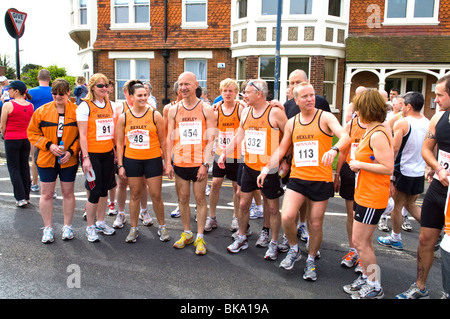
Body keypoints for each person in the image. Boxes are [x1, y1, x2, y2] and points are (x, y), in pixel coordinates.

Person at [257, 82, 350, 279]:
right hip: (298, 178)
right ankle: (294, 249)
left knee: (315, 224)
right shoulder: (292, 122)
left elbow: (345, 137)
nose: (310, 99)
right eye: (305, 96)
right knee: (288, 217)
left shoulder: (325, 117)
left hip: (321, 180)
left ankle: (311, 260)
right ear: (296, 100)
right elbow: (282, 148)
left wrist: (333, 149)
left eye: (312, 95)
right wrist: (267, 168)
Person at [219, 79, 287, 261]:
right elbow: (240, 134)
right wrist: (225, 153)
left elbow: (289, 138)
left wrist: (285, 160)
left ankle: (272, 240)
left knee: (272, 207)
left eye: (247, 92)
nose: (244, 95)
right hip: (249, 165)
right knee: (243, 203)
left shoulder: (275, 113)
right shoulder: (247, 111)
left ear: (259, 93)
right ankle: (242, 236)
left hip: (269, 169)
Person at [396, 75, 450, 299]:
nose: (435, 100)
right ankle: (420, 286)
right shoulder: (438, 118)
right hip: (438, 187)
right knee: (425, 239)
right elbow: (427, 149)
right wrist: (437, 167)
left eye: (440, 95)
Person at [343, 89, 394, 299]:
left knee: (360, 242)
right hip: (365, 193)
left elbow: (388, 167)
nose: (355, 112)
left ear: (367, 109)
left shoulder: (379, 133)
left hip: (372, 196)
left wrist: (359, 164)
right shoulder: (373, 129)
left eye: (358, 108)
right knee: (364, 242)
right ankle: (367, 277)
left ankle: (374, 286)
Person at [166, 71, 216, 255]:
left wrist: (205, 163)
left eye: (187, 84)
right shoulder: (173, 109)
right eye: (180, 84)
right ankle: (187, 233)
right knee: (183, 199)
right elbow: (169, 138)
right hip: (180, 162)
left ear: (196, 85)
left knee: (201, 199)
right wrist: (168, 163)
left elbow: (212, 139)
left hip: (199, 163)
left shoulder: (206, 109)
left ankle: (200, 237)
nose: (183, 88)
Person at [116, 82, 170, 243]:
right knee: (134, 194)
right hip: (132, 160)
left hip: (152, 159)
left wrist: (167, 163)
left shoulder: (155, 115)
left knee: (156, 195)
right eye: (139, 95)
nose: (143, 98)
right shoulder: (123, 117)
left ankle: (162, 226)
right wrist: (120, 165)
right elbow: (119, 143)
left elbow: (163, 141)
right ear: (131, 97)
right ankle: (133, 229)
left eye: (145, 95)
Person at [27, 78, 79, 243]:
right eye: (55, 93)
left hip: (68, 160)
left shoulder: (77, 111)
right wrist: (48, 145)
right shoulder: (41, 111)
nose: (58, 97)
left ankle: (67, 226)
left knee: (68, 193)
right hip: (46, 158)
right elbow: (32, 133)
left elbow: (82, 136)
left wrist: (71, 151)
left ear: (68, 93)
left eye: (61, 94)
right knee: (47, 194)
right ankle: (48, 228)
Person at [377, 92, 429, 250]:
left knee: (397, 206)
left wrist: (390, 173)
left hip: (403, 170)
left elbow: (395, 149)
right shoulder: (428, 122)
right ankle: (433, 233)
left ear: (409, 106)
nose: (401, 107)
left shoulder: (403, 123)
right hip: (418, 171)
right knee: (411, 204)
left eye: (404, 104)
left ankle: (395, 238)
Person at [76, 73, 116, 242]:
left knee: (104, 189)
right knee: (94, 191)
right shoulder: (85, 107)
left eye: (106, 85)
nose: (104, 88)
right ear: (92, 87)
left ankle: (100, 222)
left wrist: (114, 151)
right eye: (100, 86)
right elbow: (82, 135)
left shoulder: (109, 104)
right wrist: (85, 157)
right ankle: (90, 227)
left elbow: (111, 131)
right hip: (92, 155)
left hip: (107, 153)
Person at [206, 78, 243, 232]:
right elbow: (213, 134)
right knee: (215, 184)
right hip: (220, 153)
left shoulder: (241, 109)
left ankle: (235, 217)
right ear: (221, 93)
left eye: (231, 91)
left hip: (237, 155)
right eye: (225, 91)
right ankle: (212, 217)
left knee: (236, 187)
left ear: (236, 93)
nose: (227, 94)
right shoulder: (216, 111)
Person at [334, 110, 366, 270]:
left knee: (363, 218)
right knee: (351, 215)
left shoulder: (379, 126)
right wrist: (337, 174)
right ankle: (353, 250)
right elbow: (343, 151)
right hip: (349, 171)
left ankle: (363, 254)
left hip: (368, 173)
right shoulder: (351, 125)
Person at [0, 80, 34, 207]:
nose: (8, 91)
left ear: (16, 91)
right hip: (25, 139)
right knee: (24, 166)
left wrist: (4, 135)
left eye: (10, 89)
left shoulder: (8, 105)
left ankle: (20, 198)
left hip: (11, 139)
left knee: (14, 168)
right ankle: (26, 195)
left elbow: (2, 125)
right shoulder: (30, 106)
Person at [28, 69, 54, 193]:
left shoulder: (31, 92)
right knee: (53, 159)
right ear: (50, 79)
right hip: (53, 128)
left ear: (38, 78)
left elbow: (28, 110)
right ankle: (52, 189)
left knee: (35, 158)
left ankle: (34, 183)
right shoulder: (54, 92)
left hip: (37, 129)